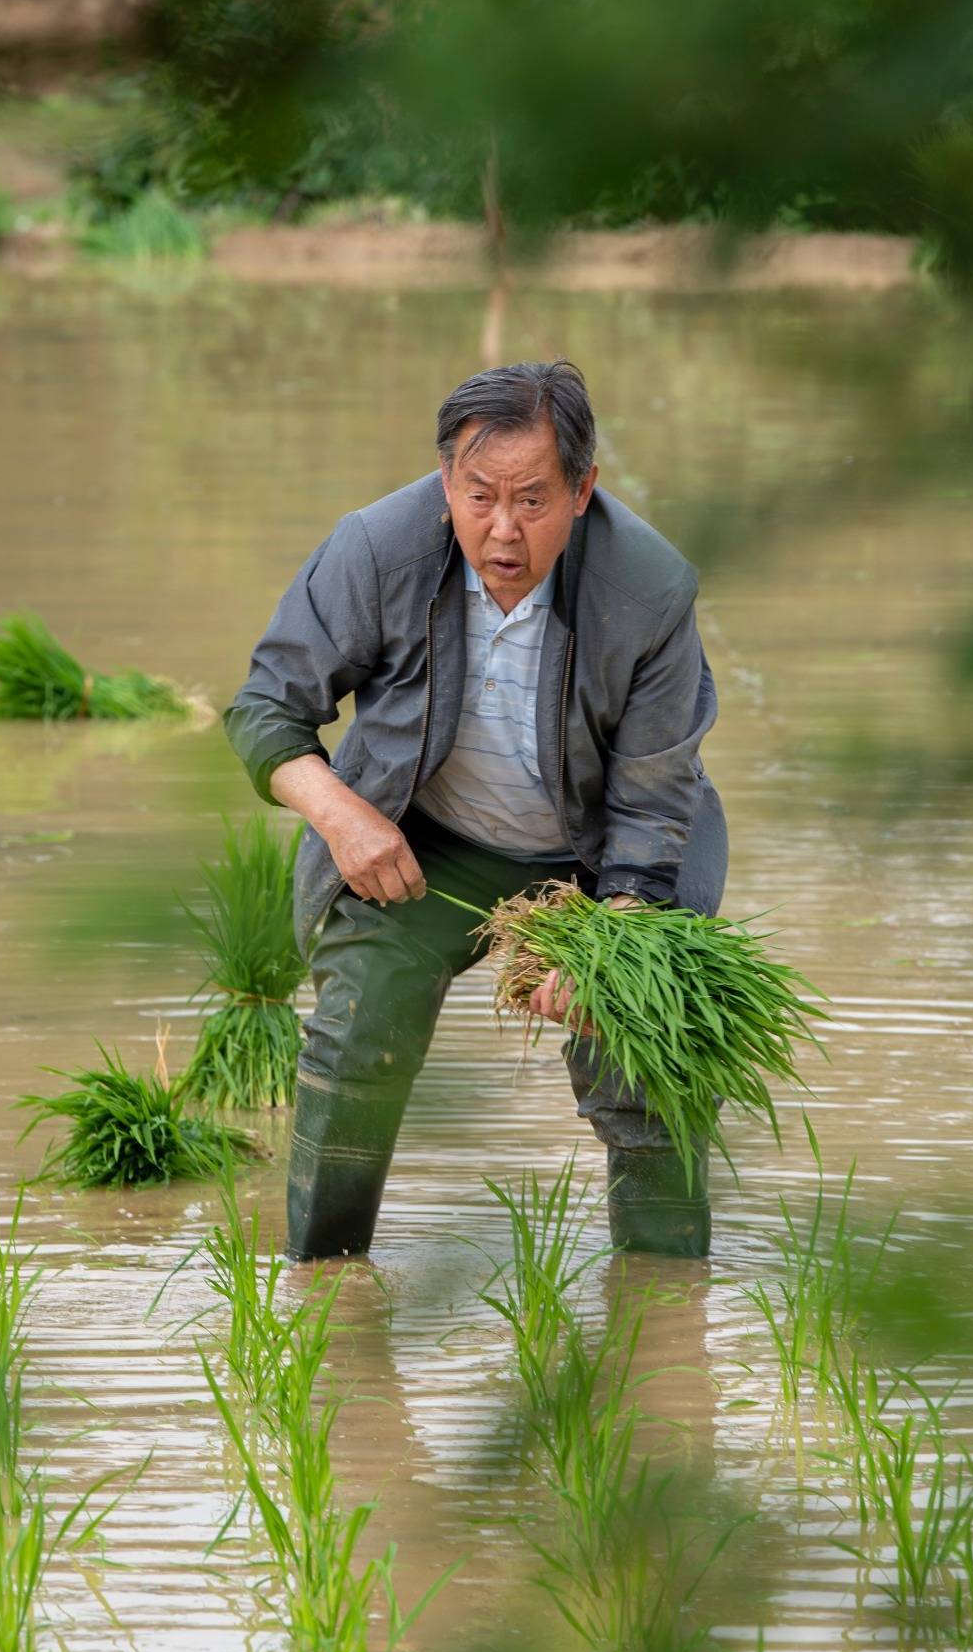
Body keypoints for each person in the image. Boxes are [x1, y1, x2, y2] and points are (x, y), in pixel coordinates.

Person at [224, 361, 728, 1260]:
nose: (502, 529)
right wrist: (342, 815)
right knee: (354, 1053)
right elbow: (266, 708)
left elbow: (654, 800)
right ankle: (325, 1297)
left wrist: (614, 933)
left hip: (603, 859)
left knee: (650, 1067)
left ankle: (664, 1322)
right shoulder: (377, 548)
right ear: (445, 482)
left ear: (583, 490)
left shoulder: (650, 590)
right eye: (478, 494)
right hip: (420, 847)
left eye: (533, 499)